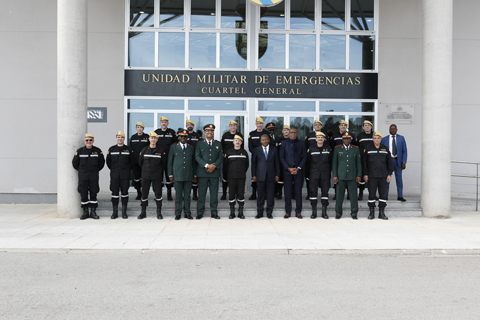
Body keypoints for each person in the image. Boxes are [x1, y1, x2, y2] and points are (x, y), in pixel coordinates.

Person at [72, 134, 105, 220]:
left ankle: (93, 212)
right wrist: (81, 171)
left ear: (93, 141)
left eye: (90, 140)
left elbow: (101, 163)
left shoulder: (97, 151)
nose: (89, 142)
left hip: (93, 175)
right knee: (83, 193)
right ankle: (85, 212)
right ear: (84, 141)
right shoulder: (80, 151)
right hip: (83, 176)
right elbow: (75, 163)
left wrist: (95, 170)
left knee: (94, 192)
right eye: (87, 140)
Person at [363, 131, 394, 220]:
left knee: (383, 195)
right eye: (375, 138)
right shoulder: (368, 148)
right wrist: (365, 174)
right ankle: (371, 213)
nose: (377, 140)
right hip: (372, 175)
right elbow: (364, 163)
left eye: (378, 138)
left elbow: (389, 163)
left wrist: (389, 174)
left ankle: (381, 213)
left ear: (381, 139)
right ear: (373, 139)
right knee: (372, 195)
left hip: (383, 176)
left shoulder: (385, 149)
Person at [195, 124, 223, 219]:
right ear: (204, 132)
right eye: (207, 131)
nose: (209, 132)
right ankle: (200, 212)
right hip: (203, 173)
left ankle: (214, 212)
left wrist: (214, 166)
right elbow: (197, 156)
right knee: (202, 193)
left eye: (211, 131)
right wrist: (207, 165)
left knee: (214, 194)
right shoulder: (199, 144)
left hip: (214, 173)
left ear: (213, 132)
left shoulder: (218, 144)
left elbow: (220, 157)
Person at [168, 129, 197, 220]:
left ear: (187, 137)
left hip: (188, 175)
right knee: (179, 196)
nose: (183, 138)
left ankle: (187, 213)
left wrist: (195, 175)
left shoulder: (191, 147)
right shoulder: (173, 147)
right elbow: (170, 162)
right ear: (178, 137)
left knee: (187, 195)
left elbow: (194, 162)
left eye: (185, 136)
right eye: (181, 136)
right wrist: (170, 175)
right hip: (177, 175)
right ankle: (178, 213)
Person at [138, 131, 167, 219]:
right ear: (149, 139)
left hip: (157, 176)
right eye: (152, 138)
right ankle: (143, 212)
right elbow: (140, 163)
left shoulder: (161, 151)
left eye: (155, 138)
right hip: (145, 175)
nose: (153, 139)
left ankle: (158, 212)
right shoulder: (144, 150)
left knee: (158, 194)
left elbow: (164, 164)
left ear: (157, 139)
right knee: (144, 194)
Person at [332, 132, 361, 219]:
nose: (347, 140)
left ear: (351, 140)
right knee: (339, 196)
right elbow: (334, 163)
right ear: (342, 139)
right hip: (340, 176)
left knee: (353, 196)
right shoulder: (337, 149)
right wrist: (334, 175)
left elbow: (358, 163)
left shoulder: (355, 149)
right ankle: (338, 212)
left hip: (352, 176)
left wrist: (359, 175)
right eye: (345, 138)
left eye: (348, 138)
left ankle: (354, 212)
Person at [280, 127, 307, 219]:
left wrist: (298, 168)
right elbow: (282, 157)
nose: (293, 134)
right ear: (289, 133)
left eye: (294, 132)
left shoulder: (301, 143)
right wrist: (289, 168)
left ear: (297, 133)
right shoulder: (284, 143)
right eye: (291, 132)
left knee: (298, 192)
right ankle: (288, 211)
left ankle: (298, 211)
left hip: (298, 171)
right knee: (287, 192)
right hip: (287, 171)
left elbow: (304, 157)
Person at [106, 131, 134, 219]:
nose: (120, 138)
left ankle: (124, 212)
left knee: (124, 193)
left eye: (122, 137)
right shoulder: (111, 149)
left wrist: (126, 170)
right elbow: (108, 162)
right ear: (116, 138)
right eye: (118, 137)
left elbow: (132, 162)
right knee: (114, 194)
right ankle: (115, 212)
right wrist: (114, 170)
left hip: (125, 175)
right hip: (114, 175)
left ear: (124, 138)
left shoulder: (128, 149)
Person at [252, 134, 280, 219]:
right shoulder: (256, 150)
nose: (264, 141)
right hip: (260, 176)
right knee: (260, 195)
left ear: (269, 140)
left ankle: (269, 212)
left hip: (271, 176)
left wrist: (277, 174)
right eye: (262, 140)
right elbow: (254, 163)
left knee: (270, 195)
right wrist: (253, 175)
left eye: (266, 140)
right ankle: (259, 212)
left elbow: (277, 163)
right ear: (260, 141)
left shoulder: (274, 149)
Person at [223, 135, 249, 219]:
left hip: (241, 177)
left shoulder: (244, 152)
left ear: (241, 142)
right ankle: (232, 212)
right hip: (231, 177)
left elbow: (246, 165)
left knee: (241, 194)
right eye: (236, 140)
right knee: (231, 194)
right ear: (233, 142)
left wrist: (241, 172)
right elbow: (225, 165)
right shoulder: (229, 152)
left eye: (239, 141)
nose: (237, 142)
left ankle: (240, 212)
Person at [307, 131, 332, 219]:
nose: (320, 139)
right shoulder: (311, 149)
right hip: (314, 174)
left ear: (324, 139)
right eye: (318, 137)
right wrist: (308, 175)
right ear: (315, 139)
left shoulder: (328, 148)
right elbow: (308, 163)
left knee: (325, 193)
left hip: (325, 175)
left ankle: (324, 212)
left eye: (322, 137)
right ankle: (314, 212)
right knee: (313, 193)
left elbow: (330, 162)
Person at [330, 120, 356, 200]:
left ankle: (349, 194)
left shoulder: (351, 135)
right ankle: (336, 194)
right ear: (339, 126)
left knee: (348, 176)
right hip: (338, 159)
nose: (343, 126)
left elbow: (354, 147)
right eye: (341, 125)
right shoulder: (334, 136)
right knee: (337, 177)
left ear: (346, 126)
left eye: (344, 125)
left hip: (348, 158)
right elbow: (331, 147)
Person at [381, 124, 408, 201]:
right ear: (389, 130)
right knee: (387, 179)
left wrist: (404, 162)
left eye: (394, 129)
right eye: (391, 129)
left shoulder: (401, 138)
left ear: (396, 130)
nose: (392, 130)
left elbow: (404, 151)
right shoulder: (384, 139)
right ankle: (385, 196)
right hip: (388, 162)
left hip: (398, 161)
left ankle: (400, 196)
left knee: (399, 179)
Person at [304, 120, 329, 200]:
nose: (317, 126)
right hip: (312, 160)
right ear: (313, 126)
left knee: (324, 183)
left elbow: (328, 147)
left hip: (323, 160)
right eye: (316, 125)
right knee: (310, 180)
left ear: (321, 126)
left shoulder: (325, 136)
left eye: (319, 125)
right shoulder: (309, 135)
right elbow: (306, 147)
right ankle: (309, 194)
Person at [154, 116, 178, 201]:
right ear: (160, 123)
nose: (164, 123)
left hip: (169, 159)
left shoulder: (171, 132)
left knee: (169, 177)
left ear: (167, 123)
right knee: (158, 177)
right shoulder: (156, 132)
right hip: (158, 159)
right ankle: (158, 195)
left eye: (165, 122)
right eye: (162, 122)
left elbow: (176, 144)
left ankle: (169, 194)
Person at [221, 120, 244, 201]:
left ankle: (237, 194)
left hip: (237, 159)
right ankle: (224, 194)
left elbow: (242, 147)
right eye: (231, 125)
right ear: (229, 127)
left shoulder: (240, 135)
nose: (233, 127)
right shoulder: (225, 135)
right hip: (227, 159)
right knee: (225, 177)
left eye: (234, 125)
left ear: (236, 127)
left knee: (236, 178)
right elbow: (222, 147)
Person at [248, 117, 270, 200]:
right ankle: (254, 194)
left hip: (265, 158)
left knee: (265, 175)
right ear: (255, 124)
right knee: (254, 176)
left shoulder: (266, 133)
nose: (259, 125)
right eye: (257, 123)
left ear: (262, 124)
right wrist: (258, 153)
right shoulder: (252, 134)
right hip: (255, 157)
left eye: (260, 123)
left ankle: (264, 194)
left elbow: (268, 145)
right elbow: (250, 147)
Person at [129, 122, 149, 200]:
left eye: (141, 127)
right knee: (137, 178)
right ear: (136, 128)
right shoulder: (133, 137)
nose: (139, 128)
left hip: (145, 162)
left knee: (144, 178)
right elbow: (131, 149)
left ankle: (144, 193)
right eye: (138, 127)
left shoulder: (147, 137)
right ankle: (139, 193)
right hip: (135, 162)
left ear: (143, 129)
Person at [356, 120, 374, 200]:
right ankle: (361, 194)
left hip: (372, 160)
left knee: (372, 178)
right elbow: (356, 147)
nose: (367, 126)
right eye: (365, 125)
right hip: (362, 159)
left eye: (368, 125)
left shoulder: (374, 135)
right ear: (363, 127)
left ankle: (372, 194)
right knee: (362, 177)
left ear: (371, 127)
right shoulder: (360, 136)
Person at [186, 119, 202, 201]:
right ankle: (186, 194)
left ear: (193, 126)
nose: (190, 126)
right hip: (186, 158)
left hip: (195, 158)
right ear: (186, 126)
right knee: (186, 176)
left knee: (195, 177)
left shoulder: (197, 135)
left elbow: (200, 146)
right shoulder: (183, 134)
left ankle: (195, 194)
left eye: (191, 125)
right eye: (188, 124)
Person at [275, 125, 290, 200]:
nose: (286, 131)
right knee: (280, 179)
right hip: (281, 162)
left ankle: (291, 194)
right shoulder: (279, 140)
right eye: (285, 130)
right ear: (282, 131)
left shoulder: (292, 139)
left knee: (290, 179)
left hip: (290, 162)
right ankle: (279, 193)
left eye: (287, 130)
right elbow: (276, 151)